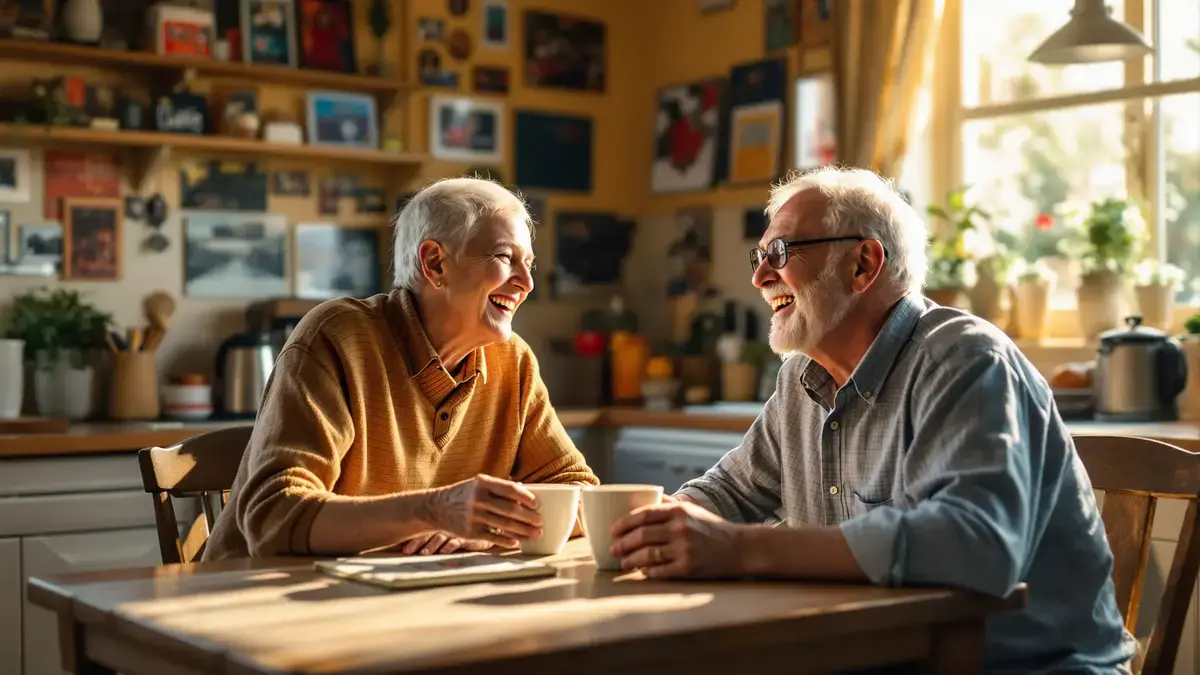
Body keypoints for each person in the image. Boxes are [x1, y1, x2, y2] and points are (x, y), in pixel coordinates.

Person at [608, 166, 1135, 673]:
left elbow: (976, 545)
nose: (759, 274)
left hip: (1026, 668)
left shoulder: (965, 359)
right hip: (874, 658)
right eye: (759, 254)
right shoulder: (802, 379)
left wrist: (739, 549)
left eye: (780, 252)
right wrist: (635, 526)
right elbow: (728, 493)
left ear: (863, 264)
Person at [205, 177, 598, 561]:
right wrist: (436, 510)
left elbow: (579, 493)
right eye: (504, 257)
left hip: (391, 601)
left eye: (528, 263)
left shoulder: (514, 361)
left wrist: (487, 533)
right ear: (434, 263)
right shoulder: (338, 338)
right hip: (248, 600)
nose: (526, 283)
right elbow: (274, 518)